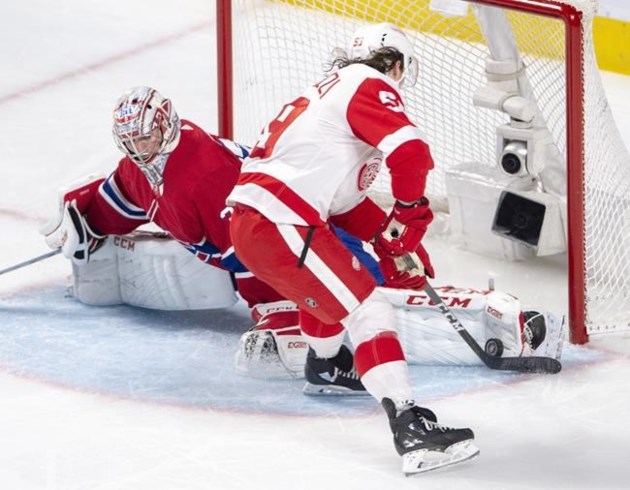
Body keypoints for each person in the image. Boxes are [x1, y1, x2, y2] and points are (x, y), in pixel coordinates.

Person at [227, 22, 480, 474]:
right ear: (396, 64)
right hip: (281, 220)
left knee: (330, 296)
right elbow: (411, 153)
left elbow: (343, 204)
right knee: (369, 310)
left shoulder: (327, 93)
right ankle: (411, 428)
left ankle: (324, 367)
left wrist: (387, 239)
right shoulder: (369, 82)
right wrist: (407, 219)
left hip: (255, 225)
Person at [40, 86, 381, 380]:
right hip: (267, 239)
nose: (138, 149)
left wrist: (269, 305)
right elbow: (122, 200)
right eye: (129, 141)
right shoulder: (138, 168)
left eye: (145, 137)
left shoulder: (204, 173)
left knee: (371, 293)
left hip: (309, 228)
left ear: (165, 125)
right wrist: (86, 222)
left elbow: (257, 244)